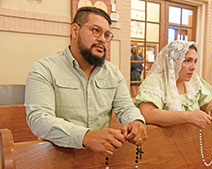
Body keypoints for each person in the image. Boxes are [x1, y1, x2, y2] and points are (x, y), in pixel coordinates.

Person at [25, 7, 147, 156]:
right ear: (75, 30)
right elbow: (39, 120)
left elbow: (126, 107)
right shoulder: (45, 69)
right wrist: (86, 136)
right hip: (57, 159)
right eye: (96, 31)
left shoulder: (113, 73)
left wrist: (136, 121)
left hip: (101, 159)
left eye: (107, 34)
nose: (102, 39)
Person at [134, 40, 212, 128]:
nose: (193, 67)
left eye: (194, 61)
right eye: (187, 61)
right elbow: (147, 113)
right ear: (172, 62)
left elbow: (207, 102)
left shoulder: (194, 82)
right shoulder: (156, 81)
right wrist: (188, 117)